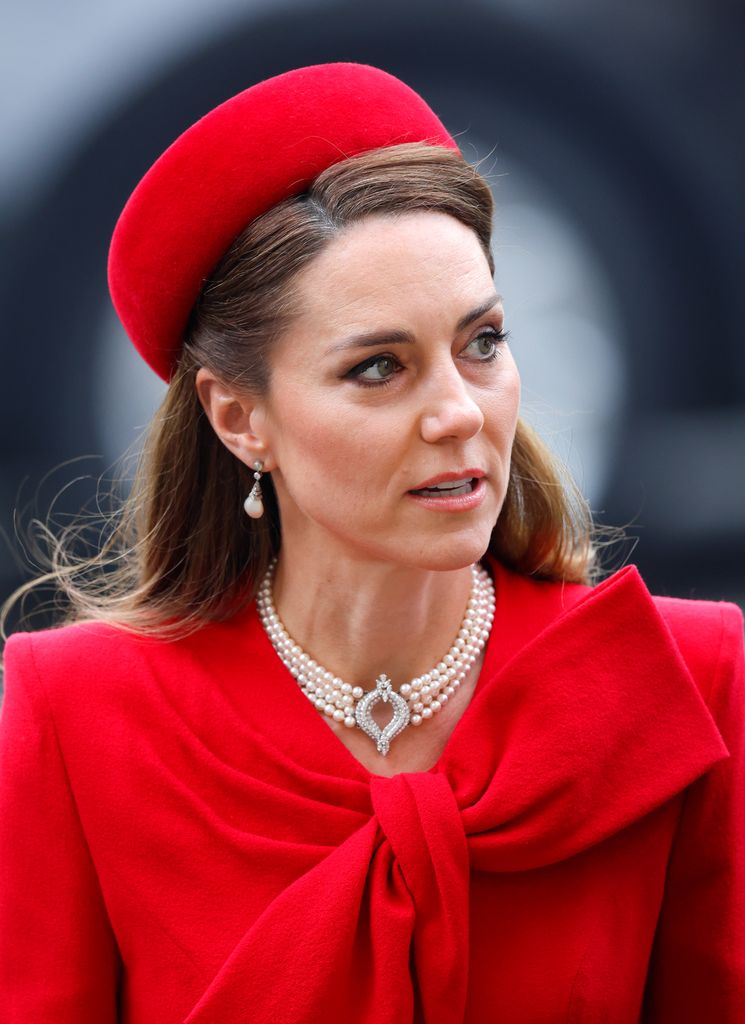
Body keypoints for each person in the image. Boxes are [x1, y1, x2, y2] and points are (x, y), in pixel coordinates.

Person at [0, 62, 742, 1024]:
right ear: (238, 419)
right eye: (379, 367)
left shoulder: (679, 678)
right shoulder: (78, 716)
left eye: (482, 342)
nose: (456, 414)